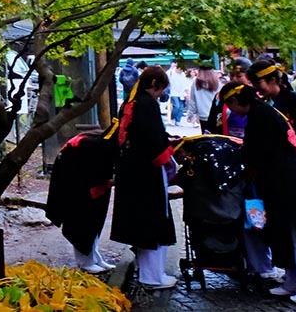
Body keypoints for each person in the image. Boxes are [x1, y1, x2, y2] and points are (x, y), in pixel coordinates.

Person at [222, 84, 296, 306]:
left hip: (286, 181)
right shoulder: (262, 111)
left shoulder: (260, 115)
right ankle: (293, 282)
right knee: (285, 233)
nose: (230, 110)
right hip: (281, 180)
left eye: (229, 104)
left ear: (236, 101)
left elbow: (256, 151)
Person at [109, 65, 177, 289]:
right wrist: (171, 157)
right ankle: (153, 276)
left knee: (140, 222)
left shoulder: (130, 102)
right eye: (160, 90)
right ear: (155, 85)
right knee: (154, 220)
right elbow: (154, 139)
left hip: (130, 171)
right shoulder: (147, 104)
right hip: (147, 172)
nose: (160, 95)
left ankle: (147, 272)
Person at [45, 131, 117, 273]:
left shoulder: (101, 143)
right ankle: (85, 261)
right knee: (82, 222)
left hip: (87, 184)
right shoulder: (93, 146)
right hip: (77, 186)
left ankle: (94, 257)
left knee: (95, 221)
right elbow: (89, 174)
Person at [206, 56, 254, 137]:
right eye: (231, 75)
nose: (234, 79)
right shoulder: (221, 96)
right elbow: (212, 121)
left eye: (239, 76)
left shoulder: (258, 96)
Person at [189, 63, 221, 134]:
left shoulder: (196, 83)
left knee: (205, 137)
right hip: (215, 115)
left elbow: (192, 101)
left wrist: (191, 114)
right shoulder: (218, 83)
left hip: (203, 115)